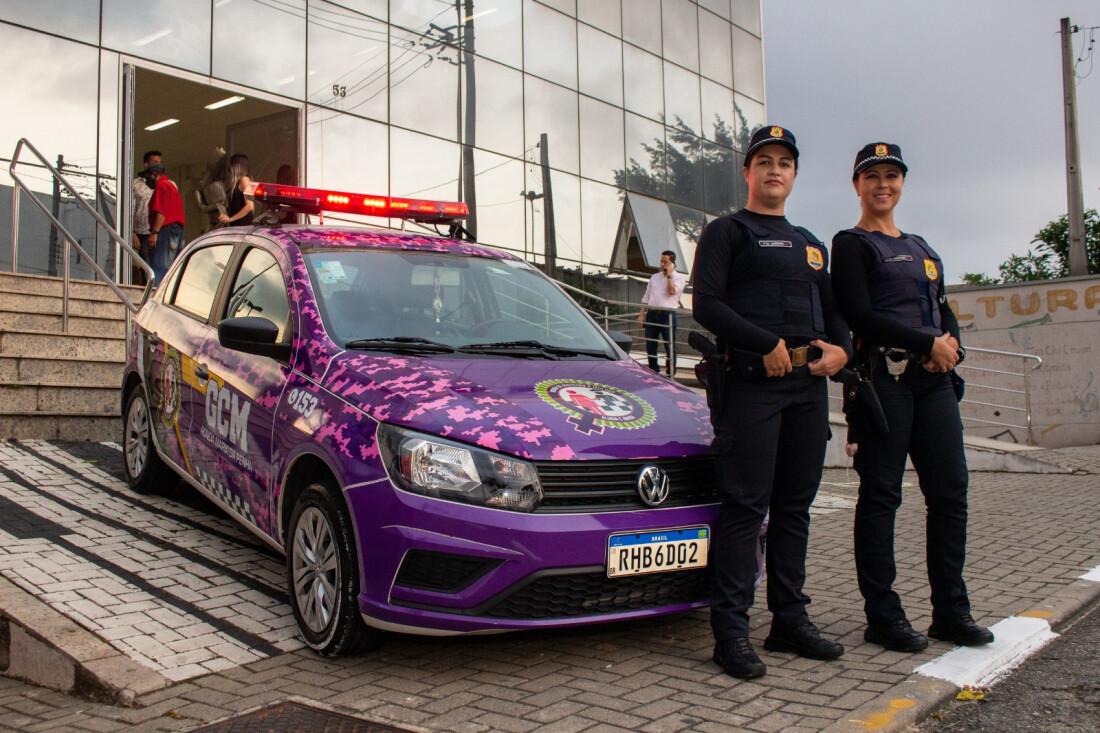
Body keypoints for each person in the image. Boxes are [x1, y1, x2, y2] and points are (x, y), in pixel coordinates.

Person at [693, 126, 852, 679]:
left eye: (785, 162)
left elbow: (832, 313)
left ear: (794, 174)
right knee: (744, 510)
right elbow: (707, 304)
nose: (775, 170)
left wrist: (843, 352)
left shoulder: (811, 243)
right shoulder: (727, 232)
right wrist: (766, 344)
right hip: (752, 387)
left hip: (808, 389)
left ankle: (789, 621)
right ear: (748, 172)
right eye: (764, 161)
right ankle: (730, 633)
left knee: (793, 511)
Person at [830, 142, 993, 652]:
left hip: (934, 385)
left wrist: (950, 348)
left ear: (902, 183)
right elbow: (859, 314)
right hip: (886, 382)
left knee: (950, 494)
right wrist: (928, 344)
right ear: (857, 185)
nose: (883, 184)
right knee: (881, 496)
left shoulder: (924, 248)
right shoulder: (850, 243)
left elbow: (943, 310)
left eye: (892, 175)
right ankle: (883, 616)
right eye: (872, 176)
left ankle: (951, 612)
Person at [637, 250, 687, 376]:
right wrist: (642, 314)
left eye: (665, 262)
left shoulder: (680, 278)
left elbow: (671, 291)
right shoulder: (654, 277)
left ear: (672, 263)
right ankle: (654, 371)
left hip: (667, 315)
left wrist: (669, 275)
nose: (662, 264)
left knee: (669, 345)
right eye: (661, 261)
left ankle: (670, 372)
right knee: (650, 345)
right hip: (652, 314)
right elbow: (646, 297)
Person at [142, 162, 185, 284]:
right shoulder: (171, 186)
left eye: (148, 177)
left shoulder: (162, 186)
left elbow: (161, 211)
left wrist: (155, 232)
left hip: (166, 230)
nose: (146, 180)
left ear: (154, 174)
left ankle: (155, 295)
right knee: (172, 269)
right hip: (177, 231)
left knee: (158, 267)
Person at [132, 150, 161, 282]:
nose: (158, 165)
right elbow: (130, 209)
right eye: (155, 162)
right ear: (146, 164)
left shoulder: (161, 184)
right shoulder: (135, 184)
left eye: (160, 163)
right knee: (146, 268)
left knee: (160, 267)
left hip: (159, 231)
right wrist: (132, 233)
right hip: (142, 233)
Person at [218, 153, 254, 227]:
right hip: (236, 225)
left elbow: (250, 206)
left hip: (243, 226)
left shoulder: (244, 180)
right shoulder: (235, 183)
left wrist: (231, 219)